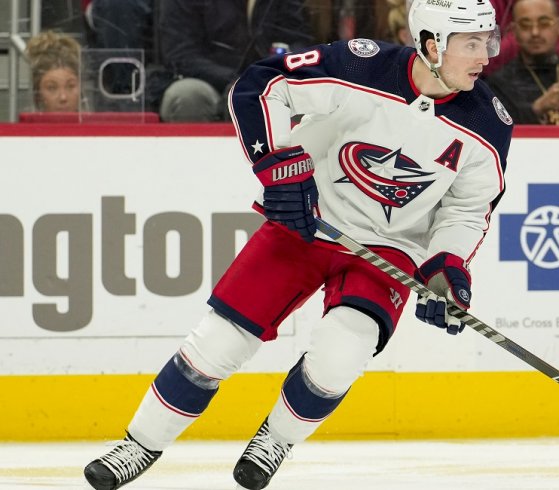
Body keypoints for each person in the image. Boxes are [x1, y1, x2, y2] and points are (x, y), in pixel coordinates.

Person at [82, 0, 512, 488]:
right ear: (432, 44)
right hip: (308, 223)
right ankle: (139, 445)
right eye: (471, 43)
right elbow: (260, 87)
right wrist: (278, 166)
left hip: (388, 251)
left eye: (489, 41)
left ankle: (277, 439)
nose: (486, 56)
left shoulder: (489, 124)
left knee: (340, 357)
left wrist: (447, 268)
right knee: (219, 342)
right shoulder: (359, 66)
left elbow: (466, 210)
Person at [155, 0, 314, 122]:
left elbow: (298, 39)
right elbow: (180, 54)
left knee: (309, 95)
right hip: (207, 79)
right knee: (187, 96)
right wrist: (237, 80)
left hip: (267, 80)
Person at [25, 31, 82, 113]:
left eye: (71, 86)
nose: (63, 97)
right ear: (38, 95)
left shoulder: (98, 125)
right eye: (52, 88)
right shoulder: (27, 126)